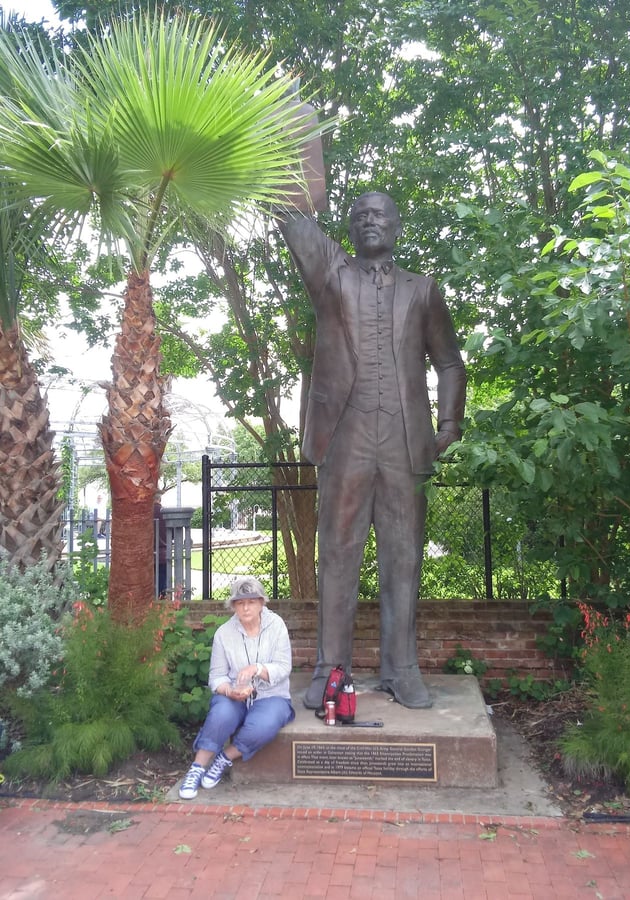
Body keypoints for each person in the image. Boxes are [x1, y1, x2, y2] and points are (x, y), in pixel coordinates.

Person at [278, 191, 467, 710]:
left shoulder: (423, 290)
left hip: (405, 439)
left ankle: (401, 670)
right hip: (346, 435)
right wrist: (283, 160)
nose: (369, 221)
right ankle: (329, 670)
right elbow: (295, 221)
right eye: (360, 216)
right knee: (337, 553)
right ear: (351, 228)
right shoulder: (333, 279)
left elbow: (450, 362)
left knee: (402, 557)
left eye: (379, 214)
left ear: (397, 225)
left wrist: (449, 423)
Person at [178, 576, 295, 800]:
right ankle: (197, 768)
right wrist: (229, 691)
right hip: (235, 694)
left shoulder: (276, 626)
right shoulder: (224, 633)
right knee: (221, 713)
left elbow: (283, 667)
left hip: (271, 695)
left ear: (262, 603)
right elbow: (216, 676)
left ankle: (224, 758)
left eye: (251, 601)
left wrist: (257, 668)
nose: (246, 607)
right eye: (240, 603)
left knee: (265, 724)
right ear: (233, 606)